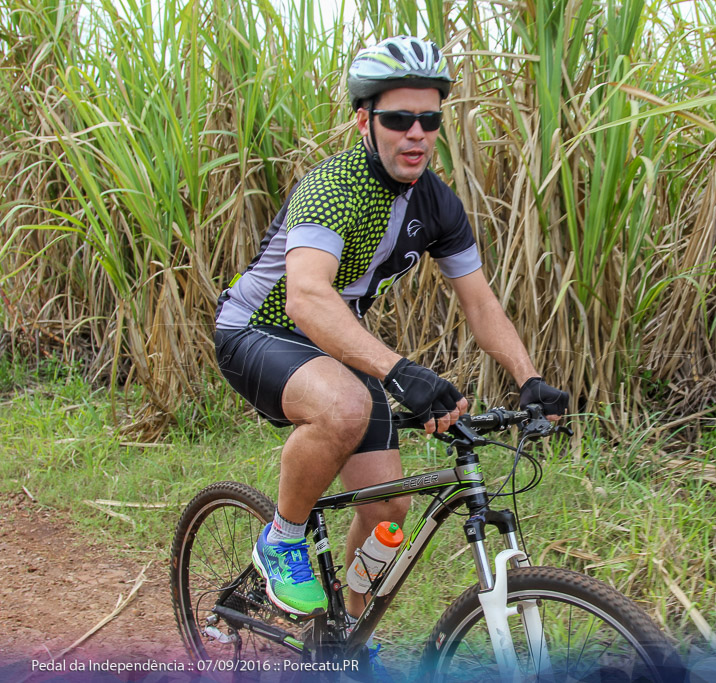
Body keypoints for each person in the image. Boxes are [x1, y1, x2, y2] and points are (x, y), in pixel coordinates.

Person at [213, 36, 569, 618]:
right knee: (347, 406)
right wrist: (400, 371)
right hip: (258, 330)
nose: (417, 134)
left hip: (335, 345)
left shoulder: (437, 203)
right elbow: (305, 298)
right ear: (364, 121)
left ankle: (350, 633)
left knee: (388, 510)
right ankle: (281, 538)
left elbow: (481, 306)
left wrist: (528, 377)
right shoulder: (334, 188)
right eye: (400, 118)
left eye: (429, 120)